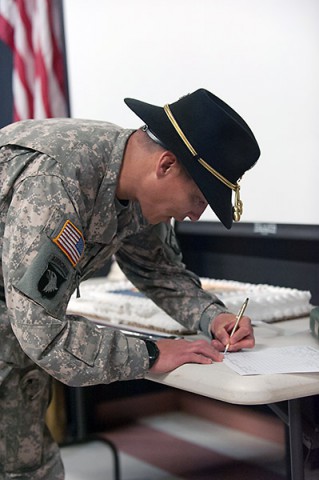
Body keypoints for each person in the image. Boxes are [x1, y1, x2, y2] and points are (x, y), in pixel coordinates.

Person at [0, 88, 260, 479]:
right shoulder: (59, 180)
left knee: (29, 467)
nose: (193, 215)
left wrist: (211, 316)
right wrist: (152, 355)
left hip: (13, 337)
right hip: (16, 332)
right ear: (167, 165)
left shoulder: (133, 181)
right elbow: (44, 335)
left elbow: (158, 269)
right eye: (198, 197)